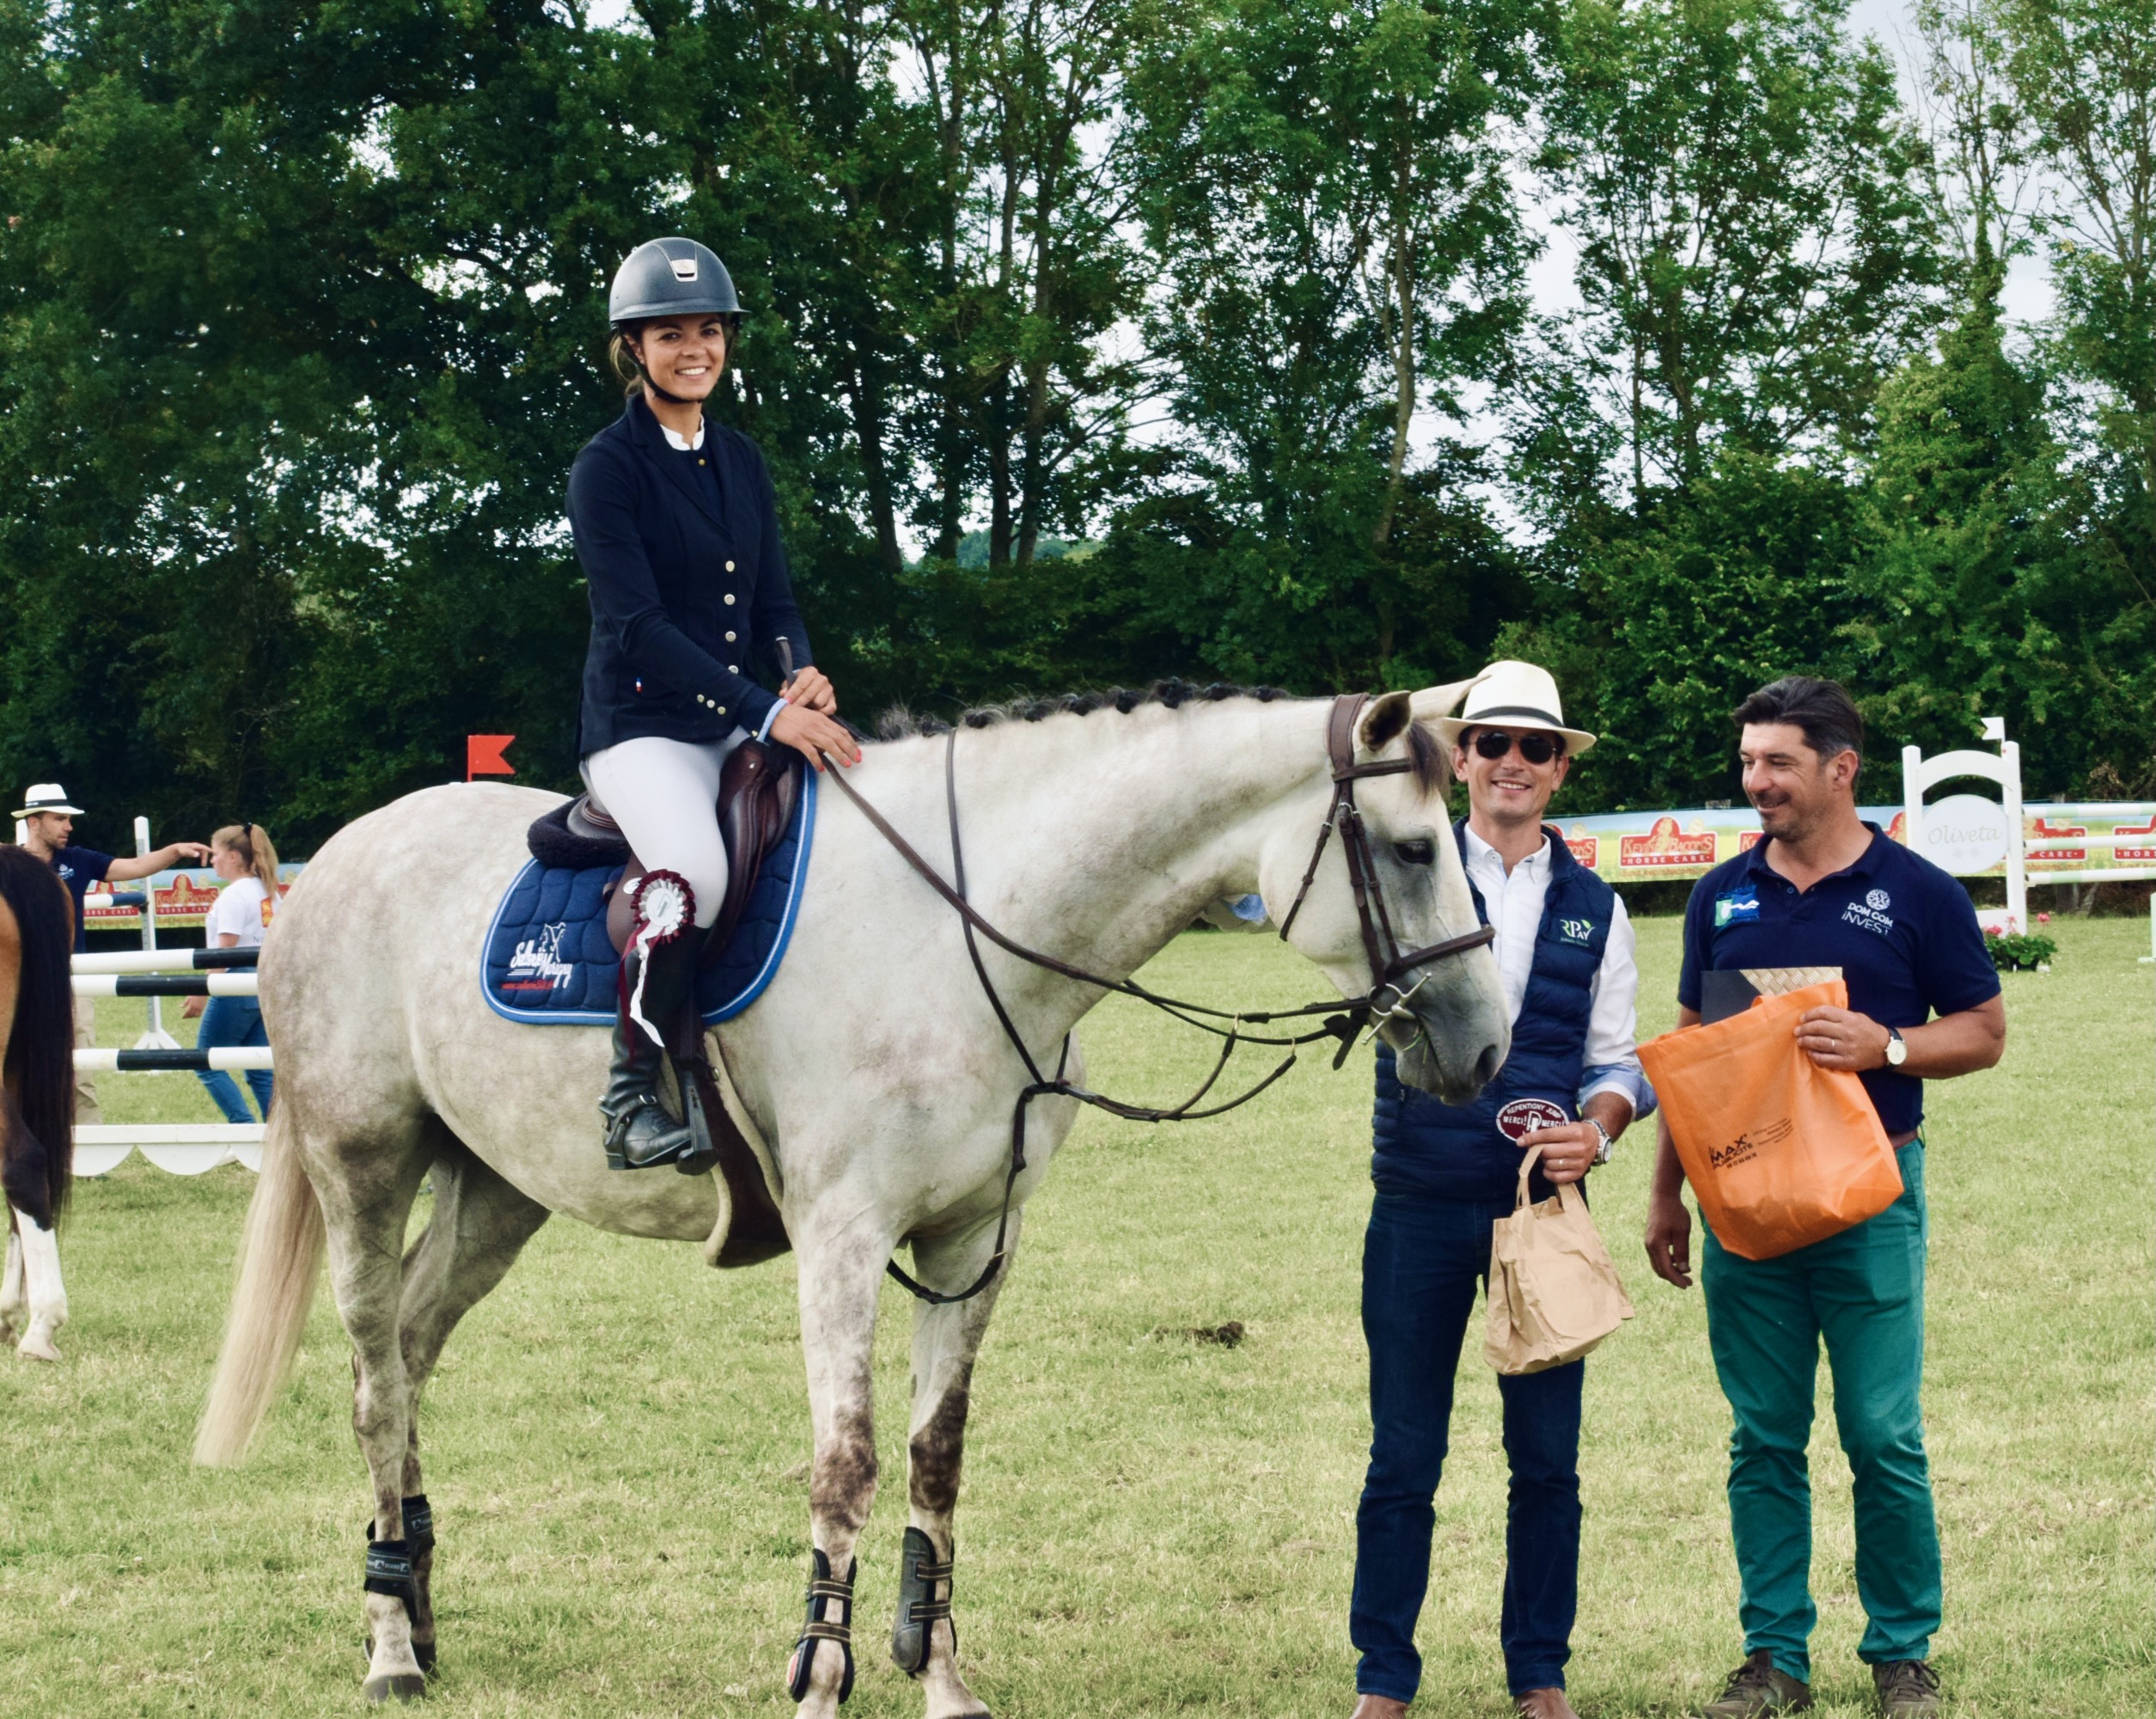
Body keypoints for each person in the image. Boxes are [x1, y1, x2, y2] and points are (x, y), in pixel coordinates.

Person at [1642, 677, 2005, 1719]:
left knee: (1881, 1433)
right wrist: (1667, 1194)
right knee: (1762, 1436)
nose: (1755, 781)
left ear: (1842, 768)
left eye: (1778, 762)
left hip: (1868, 1195)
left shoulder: (1918, 891)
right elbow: (1692, 1059)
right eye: (1747, 761)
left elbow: (1983, 1030)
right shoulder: (1721, 894)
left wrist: (1886, 1044)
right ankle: (1773, 1659)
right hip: (1743, 1206)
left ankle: (1901, 1653)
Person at [1350, 661, 1655, 1719]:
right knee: (1403, 1456)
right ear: (1461, 756)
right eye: (1492, 742)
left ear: (1561, 767)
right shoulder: (1407, 869)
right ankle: (1383, 1677)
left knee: (1547, 1462)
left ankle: (1539, 1672)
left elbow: (1618, 1061)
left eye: (1536, 746)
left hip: (1540, 1214)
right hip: (1419, 1200)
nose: (1512, 761)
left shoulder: (1597, 905)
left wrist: (1597, 1129)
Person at [568, 236, 861, 1171]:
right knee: (693, 869)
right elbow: (639, 624)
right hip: (642, 728)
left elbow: (775, 602)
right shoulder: (607, 467)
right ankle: (630, 1094)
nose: (694, 349)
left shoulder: (740, 458)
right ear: (634, 347)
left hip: (737, 714)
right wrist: (769, 713)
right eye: (670, 334)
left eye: (708, 331)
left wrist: (799, 675)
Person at [13, 784, 210, 1125]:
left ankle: (92, 1142)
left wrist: (174, 851)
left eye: (68, 819)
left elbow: (135, 866)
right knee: (19, 1068)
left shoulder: (78, 859)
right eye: (59, 818)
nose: (69, 826)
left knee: (81, 1067)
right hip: (19, 979)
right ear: (33, 822)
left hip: (73, 978)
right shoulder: (10, 865)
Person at [180, 823, 279, 1123]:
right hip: (264, 982)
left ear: (234, 857)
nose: (213, 861)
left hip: (236, 981)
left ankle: (242, 1126)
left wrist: (202, 990)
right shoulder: (269, 892)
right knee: (260, 1068)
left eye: (217, 854)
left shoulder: (234, 896)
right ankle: (275, 1131)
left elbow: (225, 951)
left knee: (205, 1061)